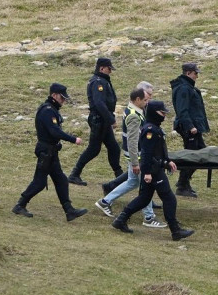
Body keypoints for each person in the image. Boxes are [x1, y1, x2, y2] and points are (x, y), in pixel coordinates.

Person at [111, 101, 195, 241]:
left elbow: (159, 151)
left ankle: (121, 220)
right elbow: (147, 154)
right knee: (169, 198)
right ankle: (175, 231)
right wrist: (148, 172)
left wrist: (167, 161)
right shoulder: (150, 130)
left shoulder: (154, 128)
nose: (164, 116)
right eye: (162, 113)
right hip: (153, 170)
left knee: (144, 198)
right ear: (154, 113)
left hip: (155, 168)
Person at [12, 83, 88, 221]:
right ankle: (20, 205)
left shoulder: (51, 109)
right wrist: (73, 139)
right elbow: (54, 131)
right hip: (46, 151)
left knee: (61, 180)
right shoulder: (47, 111)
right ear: (54, 95)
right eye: (62, 98)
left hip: (51, 151)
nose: (63, 101)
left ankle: (69, 210)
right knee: (39, 182)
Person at [96, 87, 162, 228]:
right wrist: (135, 163)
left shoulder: (131, 110)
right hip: (137, 157)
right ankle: (149, 217)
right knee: (146, 186)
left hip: (133, 156)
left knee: (132, 182)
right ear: (137, 100)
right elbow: (132, 141)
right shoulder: (134, 115)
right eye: (145, 100)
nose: (147, 102)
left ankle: (105, 201)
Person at [69, 58, 121, 186]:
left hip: (102, 120)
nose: (111, 72)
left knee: (114, 148)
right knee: (93, 149)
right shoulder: (98, 83)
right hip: (99, 120)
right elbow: (99, 103)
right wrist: (111, 119)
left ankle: (119, 176)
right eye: (109, 69)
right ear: (102, 68)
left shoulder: (102, 81)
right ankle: (74, 174)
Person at [170, 62, 208, 198]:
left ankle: (183, 183)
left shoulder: (187, 87)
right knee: (193, 157)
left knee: (199, 154)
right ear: (188, 73)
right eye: (195, 73)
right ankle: (182, 185)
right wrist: (190, 126)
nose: (197, 76)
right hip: (189, 128)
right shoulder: (184, 89)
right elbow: (182, 110)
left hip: (193, 127)